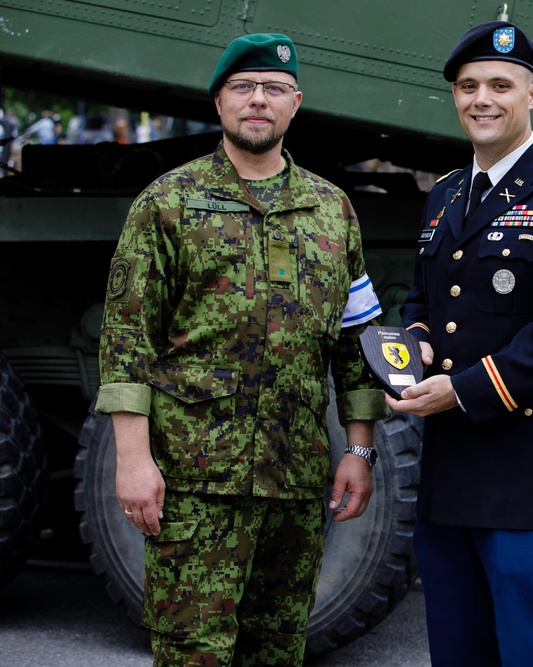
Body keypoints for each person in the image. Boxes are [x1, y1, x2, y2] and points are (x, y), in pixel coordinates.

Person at [95, 33, 388, 665]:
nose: (259, 100)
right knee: (193, 652)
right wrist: (132, 460)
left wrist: (359, 447)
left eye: (274, 89)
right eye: (243, 87)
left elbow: (356, 340)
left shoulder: (332, 210)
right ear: (220, 102)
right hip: (195, 485)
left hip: (296, 483)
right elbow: (126, 340)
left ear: (296, 103)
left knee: (277, 651)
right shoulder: (168, 202)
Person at [387, 21, 533, 667]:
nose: (481, 99)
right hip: (448, 470)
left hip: (522, 471)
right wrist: (415, 343)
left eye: (499, 85)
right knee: (457, 647)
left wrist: (458, 389)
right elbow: (424, 304)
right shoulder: (444, 196)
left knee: (530, 648)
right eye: (467, 86)